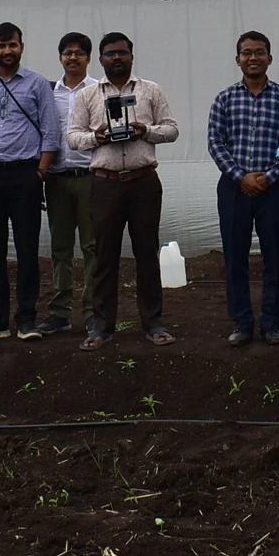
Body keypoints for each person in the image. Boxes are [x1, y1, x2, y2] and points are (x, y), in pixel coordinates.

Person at [66, 32, 181, 349]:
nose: (117, 58)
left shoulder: (150, 91)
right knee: (104, 256)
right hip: (105, 183)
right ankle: (102, 326)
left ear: (132, 56)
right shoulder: (88, 95)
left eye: (122, 53)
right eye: (110, 54)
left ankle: (153, 322)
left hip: (143, 181)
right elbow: (73, 136)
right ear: (100, 58)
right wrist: (96, 137)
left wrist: (146, 131)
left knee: (146, 253)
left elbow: (171, 129)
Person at [0, 22, 61, 340]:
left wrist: (41, 172)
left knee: (27, 249)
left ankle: (27, 319)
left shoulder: (37, 84)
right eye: (1, 46)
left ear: (21, 46)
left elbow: (51, 132)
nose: (7, 51)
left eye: (12, 45)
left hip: (25, 176)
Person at [208, 31, 279, 346]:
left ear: (270, 57)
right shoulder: (225, 98)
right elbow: (215, 142)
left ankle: (271, 323)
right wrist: (241, 176)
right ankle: (242, 322)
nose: (253, 58)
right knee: (234, 256)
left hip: (274, 188)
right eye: (246, 53)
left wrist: (269, 177)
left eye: (259, 52)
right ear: (238, 59)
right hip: (233, 188)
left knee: (274, 257)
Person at [41, 31, 100, 336]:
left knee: (92, 247)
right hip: (57, 179)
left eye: (79, 52)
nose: (73, 57)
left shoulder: (99, 91)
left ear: (88, 58)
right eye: (67, 52)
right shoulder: (49, 92)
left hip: (90, 178)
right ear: (60, 57)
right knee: (61, 247)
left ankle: (92, 312)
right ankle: (59, 311)